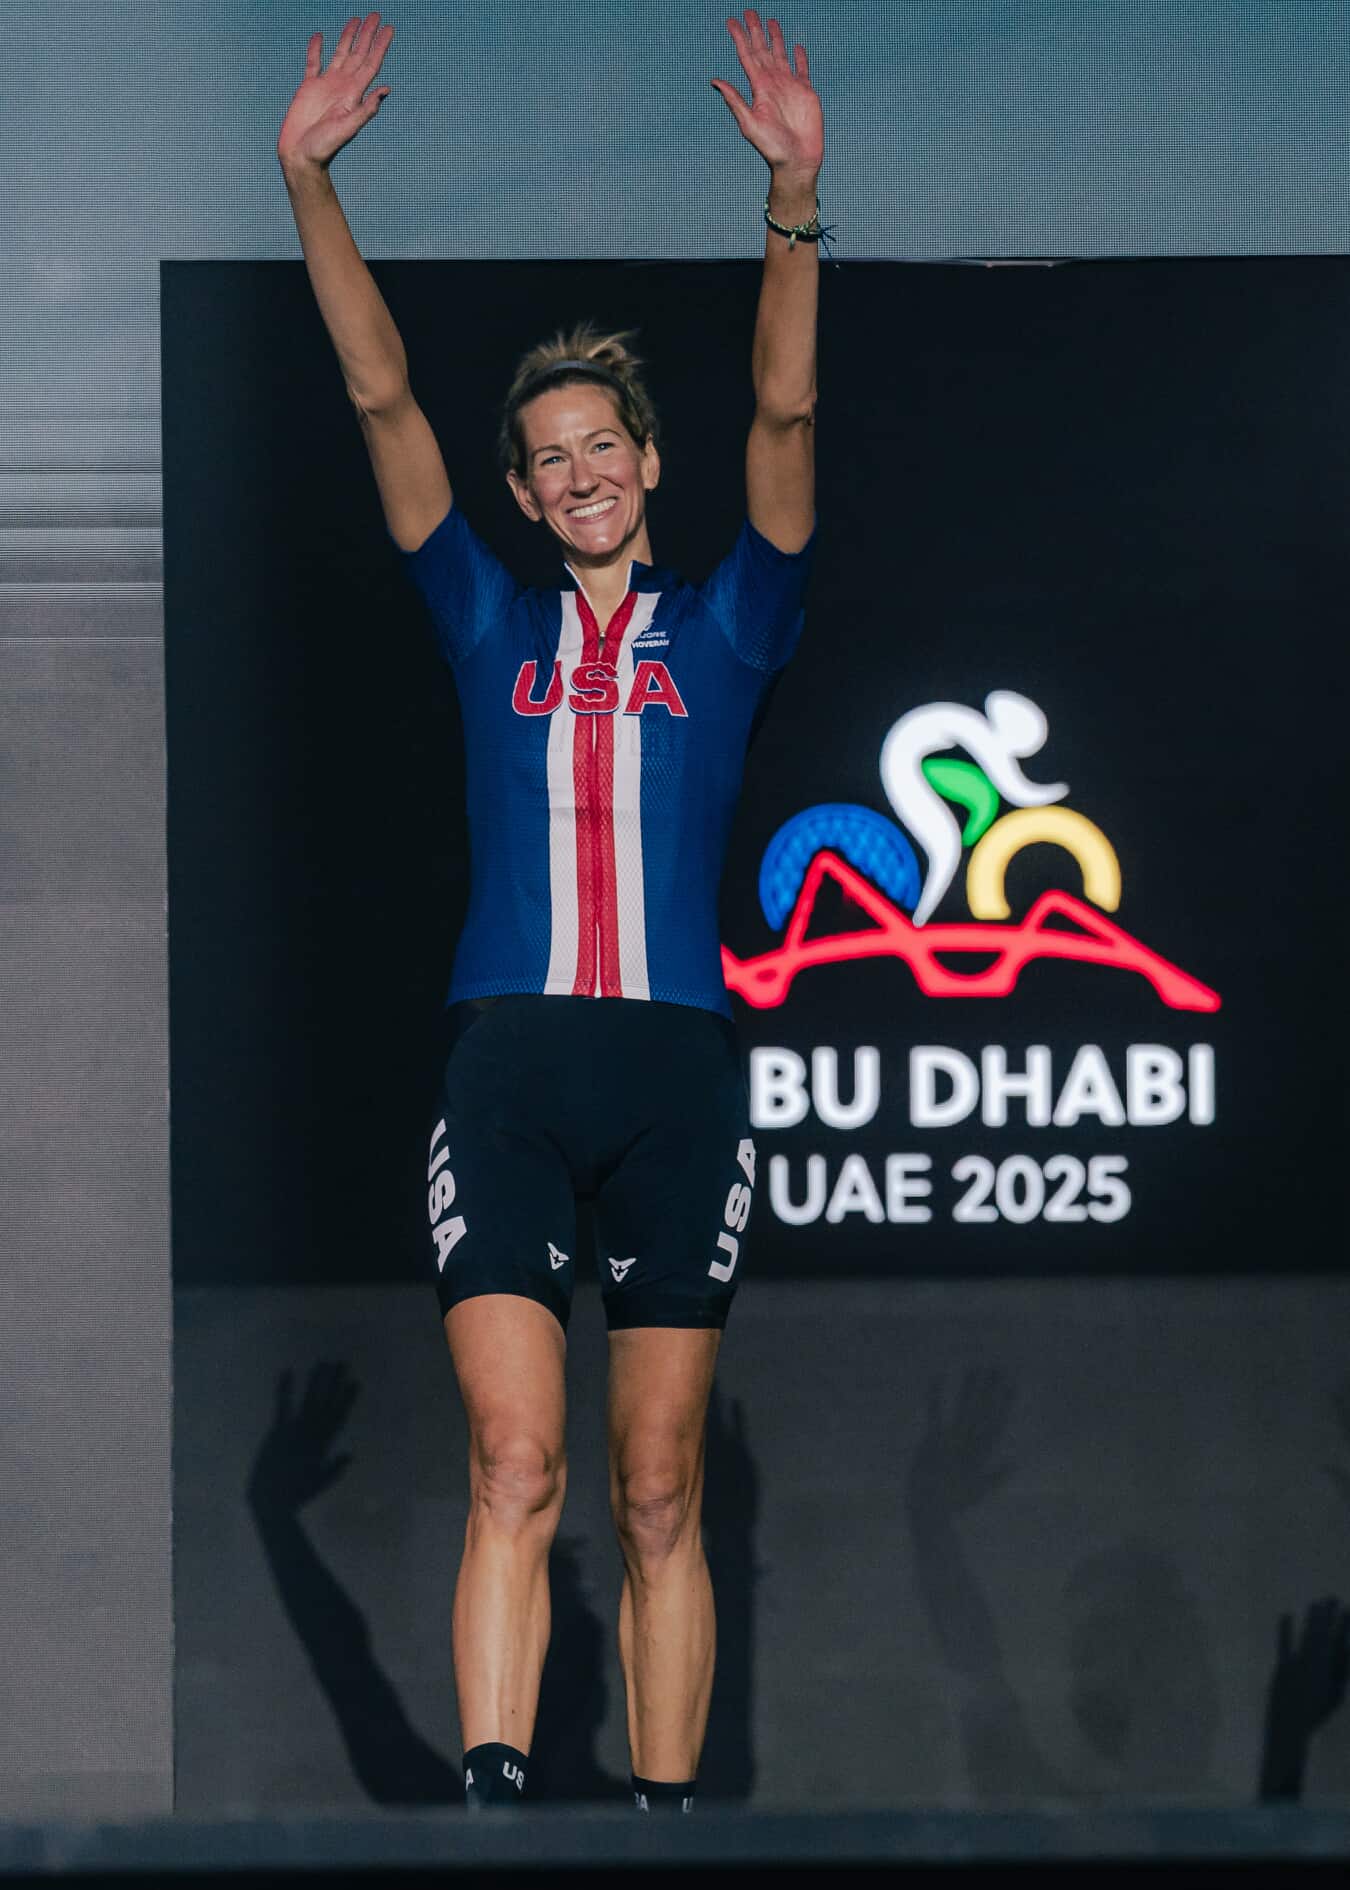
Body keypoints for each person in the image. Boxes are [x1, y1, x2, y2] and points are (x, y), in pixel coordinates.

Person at [277, 7, 823, 1812]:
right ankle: (494, 1821)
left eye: (605, 443)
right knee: (516, 1466)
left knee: (658, 1492)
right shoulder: (485, 623)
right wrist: (308, 180)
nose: (581, 472)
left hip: (677, 1078)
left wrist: (791, 200)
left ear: (645, 461)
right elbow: (382, 398)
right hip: (506, 1070)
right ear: (520, 494)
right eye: (549, 459)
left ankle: (664, 1832)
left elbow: (783, 407)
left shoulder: (729, 628)